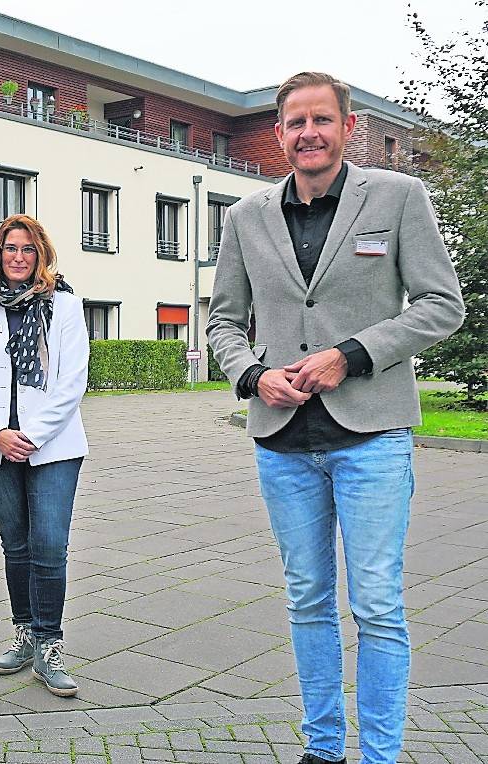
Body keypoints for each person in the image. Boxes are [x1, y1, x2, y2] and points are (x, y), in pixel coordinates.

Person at [207, 72, 464, 764]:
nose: (308, 133)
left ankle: (378, 755)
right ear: (278, 133)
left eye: (321, 120)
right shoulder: (245, 217)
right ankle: (322, 749)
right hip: (281, 441)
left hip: (371, 437)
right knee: (307, 601)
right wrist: (252, 374)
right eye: (295, 122)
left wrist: (350, 355)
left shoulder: (398, 196)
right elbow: (223, 322)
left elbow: (442, 304)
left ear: (347, 128)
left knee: (376, 606)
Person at [0, 214, 88, 696]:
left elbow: (73, 381)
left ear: (41, 255)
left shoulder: (65, 307)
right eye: (10, 248)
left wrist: (28, 434)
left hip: (53, 448)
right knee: (16, 546)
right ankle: (26, 632)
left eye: (27, 249)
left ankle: (50, 645)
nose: (18, 256)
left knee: (49, 545)